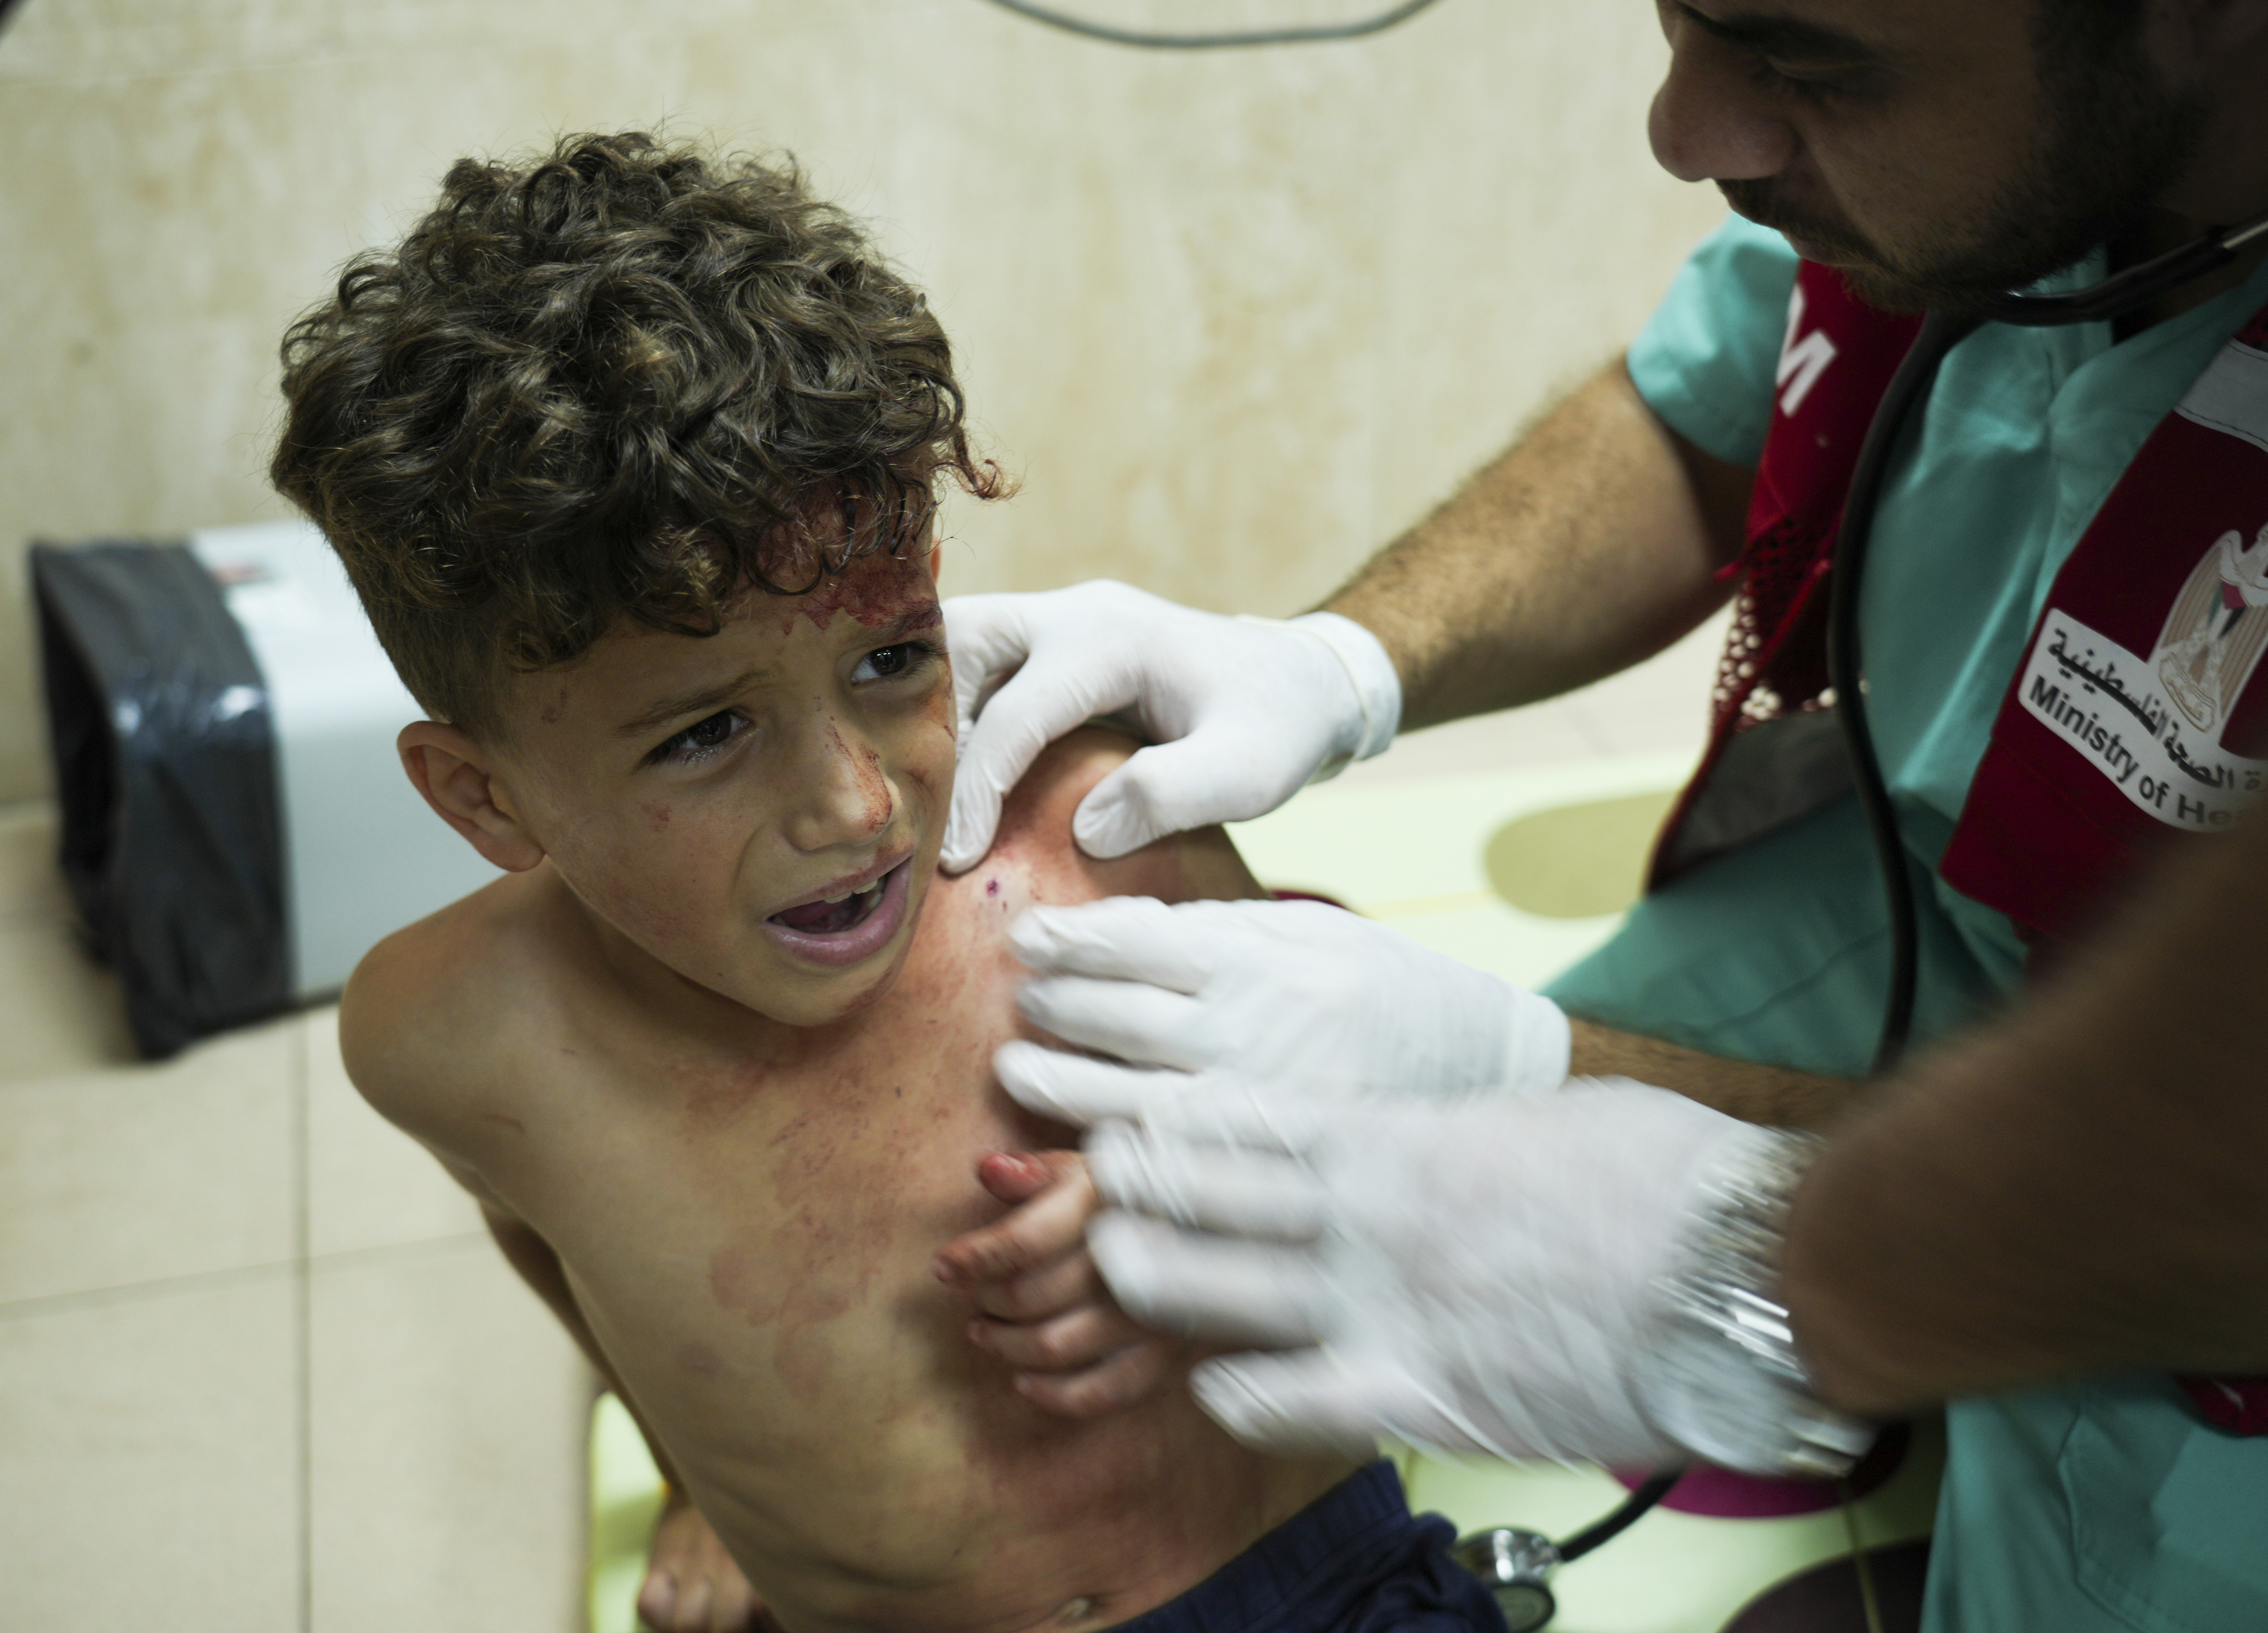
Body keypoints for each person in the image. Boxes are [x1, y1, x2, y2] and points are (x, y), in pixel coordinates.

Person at [939, 2, 2268, 1630]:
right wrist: (1343, 663)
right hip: (1942, 878)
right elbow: (1712, 405)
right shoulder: (1981, 173)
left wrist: (1758, 1262)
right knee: (1439, 1190)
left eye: (1807, 62)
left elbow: (2209, 1170)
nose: (1686, 132)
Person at [269, 132, 1506, 1633]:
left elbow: (1387, 1100)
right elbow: (552, 1233)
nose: (856, 804)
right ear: (486, 797)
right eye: (709, 733)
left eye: (894, 659)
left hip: (1315, 1593)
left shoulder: (1094, 847)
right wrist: (694, 1479)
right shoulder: (454, 1035)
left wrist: (1224, 1204)